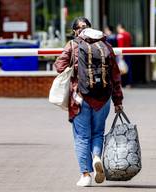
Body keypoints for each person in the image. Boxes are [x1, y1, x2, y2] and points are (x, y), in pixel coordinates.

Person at [54, 17, 123, 187]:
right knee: (98, 133)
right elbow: (115, 76)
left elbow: (59, 66)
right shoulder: (105, 45)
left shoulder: (73, 45)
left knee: (81, 137)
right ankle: (97, 157)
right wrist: (118, 101)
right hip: (104, 98)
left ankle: (85, 175)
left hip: (80, 98)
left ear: (75, 30)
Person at [116, 23, 133, 88]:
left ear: (120, 27)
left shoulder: (120, 35)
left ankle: (121, 83)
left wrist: (120, 55)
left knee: (121, 69)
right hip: (128, 53)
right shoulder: (128, 34)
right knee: (128, 68)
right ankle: (129, 83)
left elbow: (121, 45)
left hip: (122, 54)